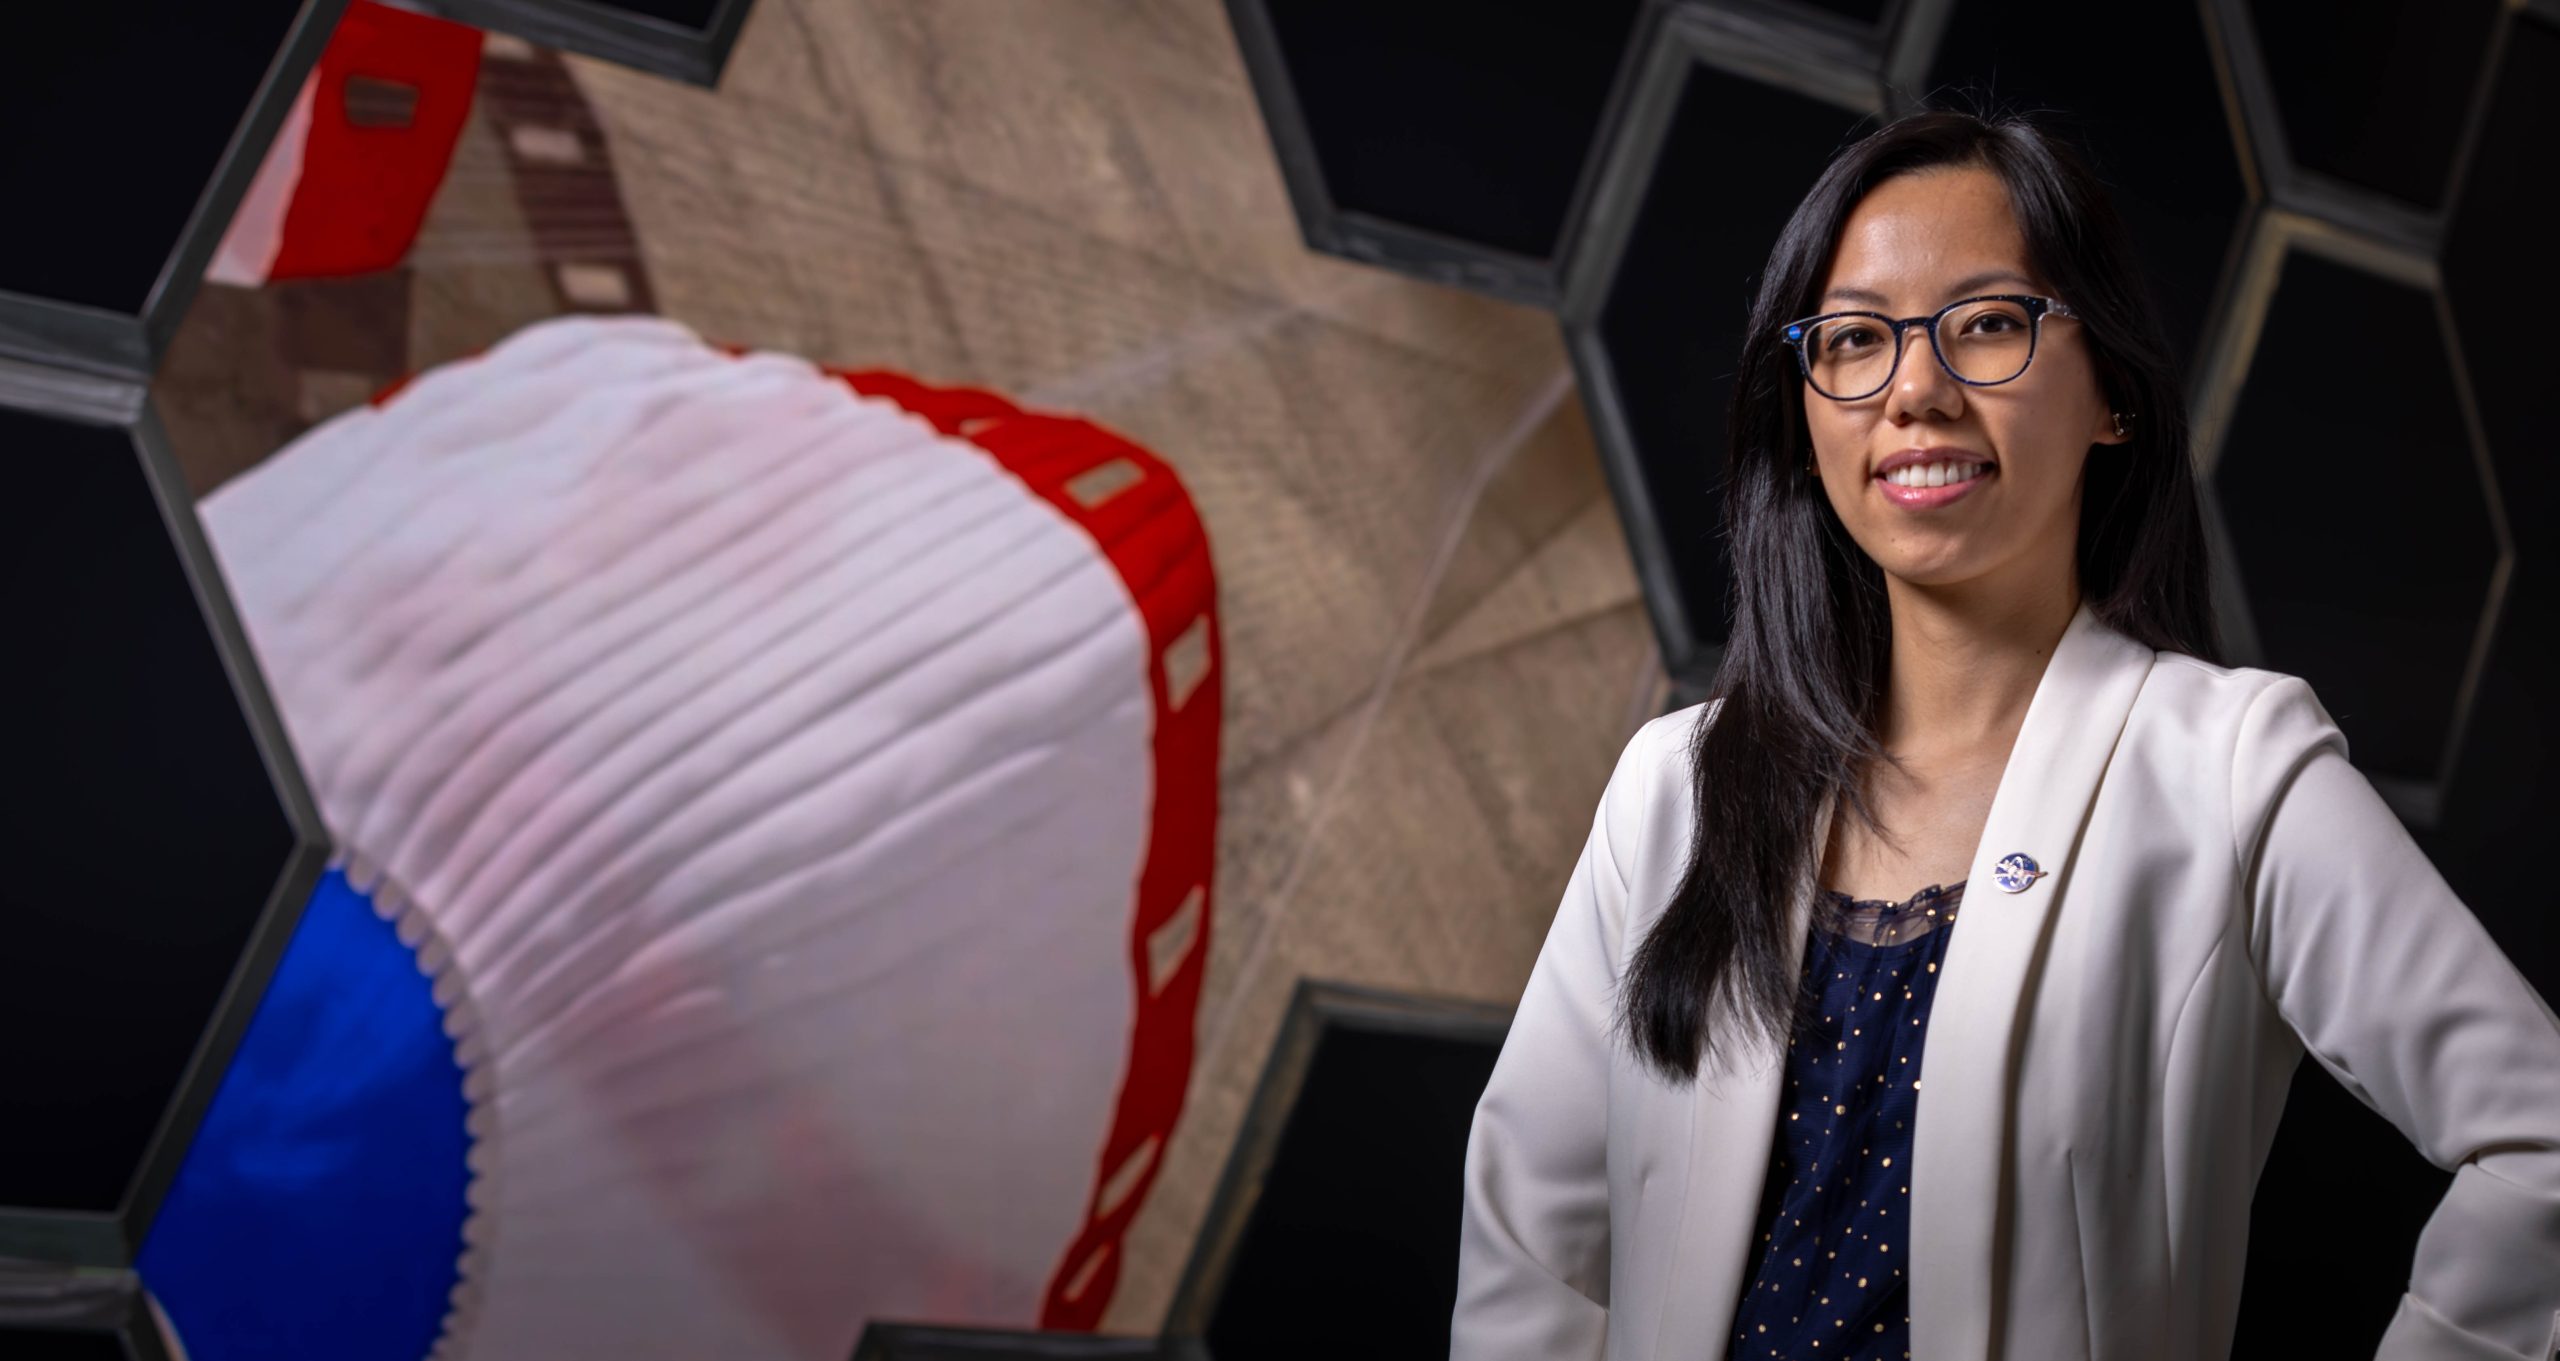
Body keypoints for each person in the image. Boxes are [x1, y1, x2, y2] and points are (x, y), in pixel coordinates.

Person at [1450, 109, 2560, 1361]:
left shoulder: (2229, 769)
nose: (1914, 390)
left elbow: (2541, 1143)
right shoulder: (1677, 789)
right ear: (1805, 417)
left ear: (2113, 398)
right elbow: (1531, 1248)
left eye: (1986, 322)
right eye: (1856, 340)